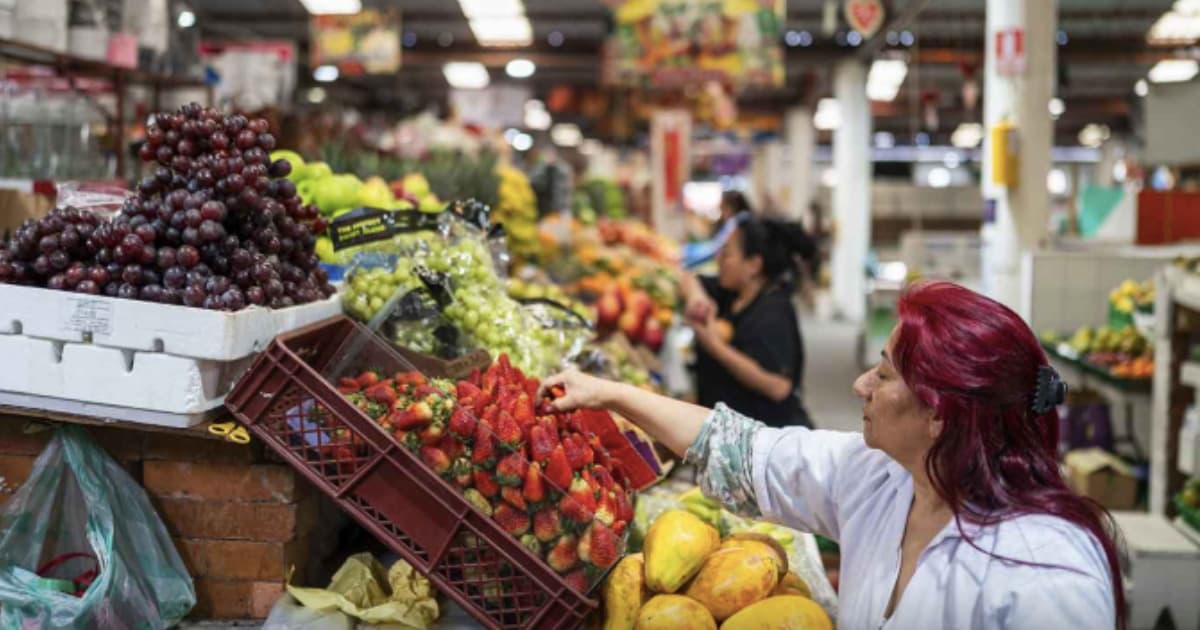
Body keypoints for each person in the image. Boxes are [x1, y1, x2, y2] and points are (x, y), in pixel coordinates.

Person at [543, 281, 1126, 630]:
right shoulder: (883, 478)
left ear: (939, 412)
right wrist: (612, 394)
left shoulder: (1046, 571)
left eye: (885, 373)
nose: (860, 385)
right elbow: (741, 449)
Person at [680, 213, 818, 427]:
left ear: (753, 265)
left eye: (727, 254)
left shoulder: (773, 312)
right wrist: (697, 300)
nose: (719, 260)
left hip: (767, 444)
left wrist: (714, 346)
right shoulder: (732, 293)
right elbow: (687, 278)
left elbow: (778, 387)